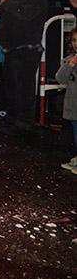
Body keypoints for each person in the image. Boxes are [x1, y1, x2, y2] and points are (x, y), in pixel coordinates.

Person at [0, 0, 49, 137]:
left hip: (25, 49)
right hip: (12, 48)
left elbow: (25, 14)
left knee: (23, 86)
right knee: (11, 85)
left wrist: (7, 3)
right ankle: (12, 117)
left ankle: (23, 123)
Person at [57, 22, 77, 175]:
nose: (76, 44)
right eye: (74, 40)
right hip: (73, 104)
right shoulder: (71, 58)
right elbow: (60, 78)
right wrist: (69, 65)